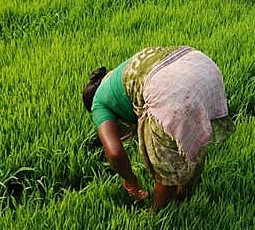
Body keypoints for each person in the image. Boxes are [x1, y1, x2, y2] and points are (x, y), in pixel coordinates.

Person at [82, 46, 235, 212]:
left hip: (169, 90)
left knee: (165, 170)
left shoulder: (98, 102)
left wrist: (130, 181)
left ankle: (156, 216)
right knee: (192, 141)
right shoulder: (120, 74)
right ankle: (184, 194)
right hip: (201, 67)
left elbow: (114, 152)